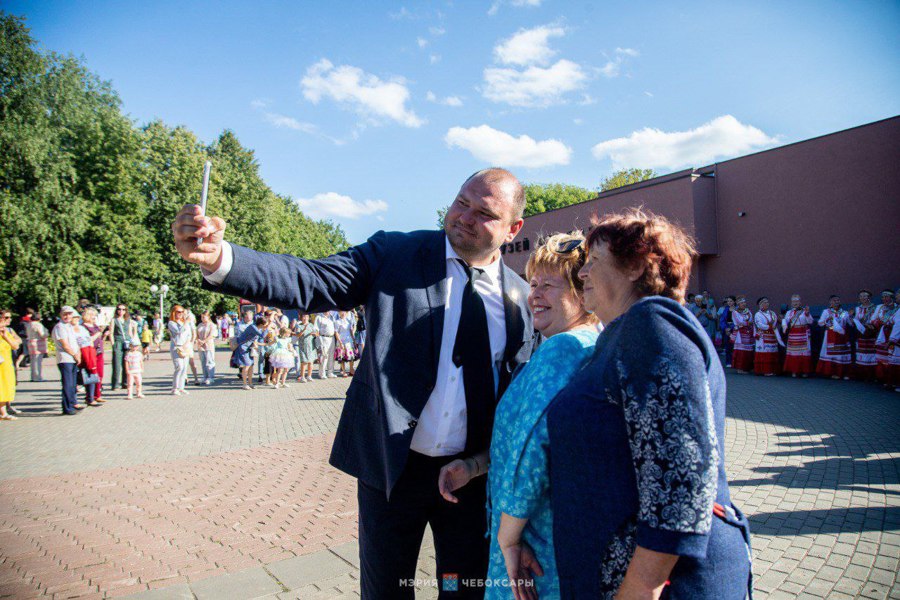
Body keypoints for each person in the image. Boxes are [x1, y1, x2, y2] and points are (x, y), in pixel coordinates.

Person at [174, 167, 534, 599]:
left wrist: (484, 465)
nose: (464, 216)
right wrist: (221, 259)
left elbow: (517, 394)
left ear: (513, 228)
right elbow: (312, 280)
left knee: (462, 588)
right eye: (461, 202)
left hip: (470, 480)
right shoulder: (396, 254)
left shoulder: (521, 298)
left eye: (484, 213)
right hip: (392, 468)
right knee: (386, 589)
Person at [545, 209, 751, 599]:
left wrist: (642, 586)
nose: (582, 273)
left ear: (637, 266)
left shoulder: (651, 322)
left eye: (593, 262)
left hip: (662, 583)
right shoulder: (621, 336)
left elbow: (682, 474)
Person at [436, 232, 598, 599]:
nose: (535, 295)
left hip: (534, 539)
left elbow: (531, 453)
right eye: (533, 283)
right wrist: (475, 466)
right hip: (560, 529)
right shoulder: (589, 342)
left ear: (582, 291)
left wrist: (509, 539)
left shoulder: (563, 349)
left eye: (550, 285)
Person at [52, 306, 82, 415]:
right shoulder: (60, 327)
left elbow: (75, 342)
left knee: (73, 384)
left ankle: (73, 403)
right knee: (68, 384)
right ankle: (67, 407)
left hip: (73, 358)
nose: (67, 316)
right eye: (65, 314)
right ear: (61, 314)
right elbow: (65, 344)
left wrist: (78, 354)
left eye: (69, 314)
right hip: (65, 358)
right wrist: (74, 354)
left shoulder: (69, 326)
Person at [816, 295, 851, 380]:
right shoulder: (826, 312)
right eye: (834, 300)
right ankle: (832, 372)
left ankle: (843, 373)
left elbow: (850, 323)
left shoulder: (844, 312)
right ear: (830, 302)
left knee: (842, 354)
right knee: (831, 354)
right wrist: (827, 319)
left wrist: (851, 316)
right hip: (830, 334)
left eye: (838, 300)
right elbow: (820, 323)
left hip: (841, 335)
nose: (836, 302)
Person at [71, 313, 101, 407]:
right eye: (73, 317)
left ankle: (90, 398)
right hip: (75, 354)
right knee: (75, 379)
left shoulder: (82, 328)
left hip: (87, 353)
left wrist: (91, 352)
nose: (75, 319)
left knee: (91, 375)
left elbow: (89, 340)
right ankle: (74, 401)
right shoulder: (68, 329)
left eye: (76, 317)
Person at [781, 294, 814, 377]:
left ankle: (804, 371)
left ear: (800, 302)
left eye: (797, 301)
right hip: (793, 334)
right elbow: (785, 321)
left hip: (803, 333)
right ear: (791, 303)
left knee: (803, 353)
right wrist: (784, 325)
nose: (795, 303)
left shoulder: (804, 311)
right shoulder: (789, 312)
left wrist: (807, 314)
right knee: (794, 353)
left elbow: (810, 322)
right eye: (793, 301)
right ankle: (794, 371)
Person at [81, 308, 109, 402]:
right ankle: (90, 396)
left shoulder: (95, 326)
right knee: (92, 374)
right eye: (93, 315)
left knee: (100, 374)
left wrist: (104, 335)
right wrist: (99, 333)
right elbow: (89, 339)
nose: (94, 317)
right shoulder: (83, 327)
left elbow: (100, 338)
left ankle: (98, 394)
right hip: (90, 353)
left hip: (99, 352)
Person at [873, 289, 899, 388]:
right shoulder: (880, 307)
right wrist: (877, 323)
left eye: (887, 296)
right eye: (883, 297)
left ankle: (890, 379)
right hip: (882, 334)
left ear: (892, 297)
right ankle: (882, 377)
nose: (884, 299)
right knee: (881, 357)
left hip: (892, 334)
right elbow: (874, 319)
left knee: (891, 358)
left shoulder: (897, 308)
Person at [0, 309, 22, 421]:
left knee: (5, 387)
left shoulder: (6, 332)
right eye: (5, 318)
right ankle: (3, 413)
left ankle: (4, 411)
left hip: (6, 364)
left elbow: (16, 345)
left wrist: (6, 336)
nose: (8, 320)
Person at [234, 315, 267, 390]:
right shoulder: (253, 327)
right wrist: (267, 329)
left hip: (249, 348)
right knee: (247, 365)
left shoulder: (258, 328)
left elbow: (256, 339)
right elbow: (262, 336)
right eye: (265, 324)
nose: (265, 326)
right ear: (261, 324)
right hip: (243, 347)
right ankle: (244, 384)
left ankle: (250, 383)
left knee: (251, 365)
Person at [852, 290, 878, 381]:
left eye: (864, 296)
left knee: (872, 352)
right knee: (862, 352)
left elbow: (876, 318)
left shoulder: (875, 308)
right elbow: (856, 319)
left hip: (871, 332)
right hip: (861, 332)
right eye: (861, 296)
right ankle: (862, 374)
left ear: (869, 297)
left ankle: (873, 374)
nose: (862, 298)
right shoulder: (858, 308)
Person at [753, 296, 782, 376]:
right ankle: (765, 370)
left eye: (767, 302)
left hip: (772, 335)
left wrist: (780, 320)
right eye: (765, 302)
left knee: (772, 352)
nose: (767, 304)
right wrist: (769, 327)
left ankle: (773, 369)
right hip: (763, 336)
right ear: (760, 305)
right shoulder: (757, 314)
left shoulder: (772, 313)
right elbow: (760, 325)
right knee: (765, 352)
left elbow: (775, 321)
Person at [109, 304, 135, 390]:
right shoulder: (114, 320)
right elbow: (111, 333)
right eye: (119, 309)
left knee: (126, 363)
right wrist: (113, 343)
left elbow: (130, 332)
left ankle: (125, 383)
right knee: (117, 364)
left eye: (123, 309)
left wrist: (132, 343)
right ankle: (115, 384)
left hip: (127, 342)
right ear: (116, 310)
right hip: (118, 342)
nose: (121, 311)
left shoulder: (128, 320)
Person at [167, 305, 192, 395]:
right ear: (174, 312)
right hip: (176, 347)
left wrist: (189, 343)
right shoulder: (171, 323)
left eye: (182, 312)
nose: (181, 314)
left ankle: (181, 387)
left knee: (184, 368)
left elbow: (189, 333)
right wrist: (186, 322)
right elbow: (179, 331)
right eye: (178, 312)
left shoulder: (184, 322)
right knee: (179, 367)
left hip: (185, 346)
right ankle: (175, 388)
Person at [730, 295, 755, 373]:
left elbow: (751, 320)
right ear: (738, 304)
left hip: (748, 333)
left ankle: (747, 367)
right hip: (740, 334)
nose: (744, 304)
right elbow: (738, 322)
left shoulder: (748, 311)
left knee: (749, 349)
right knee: (741, 350)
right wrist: (747, 323)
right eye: (742, 303)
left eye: (744, 302)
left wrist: (746, 323)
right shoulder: (735, 312)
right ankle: (740, 368)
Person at [25, 310, 49, 382]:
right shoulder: (38, 325)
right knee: (37, 361)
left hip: (30, 342)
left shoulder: (29, 324)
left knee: (33, 361)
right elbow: (42, 335)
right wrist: (47, 333)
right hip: (38, 344)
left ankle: (33, 376)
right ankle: (38, 377)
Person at [196, 310, 218, 385]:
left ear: (208, 317)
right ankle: (205, 376)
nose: (202, 318)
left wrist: (204, 341)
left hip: (208, 345)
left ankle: (210, 377)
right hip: (201, 346)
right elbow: (196, 334)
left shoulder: (212, 325)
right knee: (203, 361)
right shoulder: (200, 325)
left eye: (204, 317)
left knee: (209, 361)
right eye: (201, 317)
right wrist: (198, 340)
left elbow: (212, 335)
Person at [295, 313, 317, 382]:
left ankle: (309, 376)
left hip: (311, 345)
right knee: (304, 362)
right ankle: (302, 377)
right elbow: (298, 335)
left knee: (311, 361)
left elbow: (316, 334)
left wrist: (314, 334)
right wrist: (303, 330)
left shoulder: (311, 325)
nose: (305, 318)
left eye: (306, 317)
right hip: (303, 346)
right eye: (303, 317)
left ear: (308, 317)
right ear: (301, 318)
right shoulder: (298, 326)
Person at [315, 310, 337, 379]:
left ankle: (330, 372)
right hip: (323, 338)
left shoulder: (332, 317)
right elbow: (316, 329)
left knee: (331, 356)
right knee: (324, 356)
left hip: (332, 338)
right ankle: (322, 373)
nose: (328, 310)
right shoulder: (319, 317)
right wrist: (319, 340)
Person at [334, 310, 356, 377]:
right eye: (341, 312)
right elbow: (336, 333)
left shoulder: (348, 321)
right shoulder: (337, 322)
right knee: (342, 357)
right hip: (342, 341)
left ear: (346, 313)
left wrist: (354, 340)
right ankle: (343, 371)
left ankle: (351, 370)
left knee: (351, 357)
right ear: (339, 313)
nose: (343, 313)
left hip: (349, 341)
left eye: (344, 312)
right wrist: (340, 342)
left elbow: (351, 331)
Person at [718, 296, 735, 367]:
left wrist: (731, 328)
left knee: (735, 346)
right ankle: (728, 361)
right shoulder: (726, 309)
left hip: (734, 329)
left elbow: (737, 320)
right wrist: (725, 328)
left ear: (734, 301)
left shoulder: (737, 309)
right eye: (728, 301)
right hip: (727, 329)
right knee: (728, 346)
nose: (729, 303)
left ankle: (735, 361)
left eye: (731, 301)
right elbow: (722, 320)